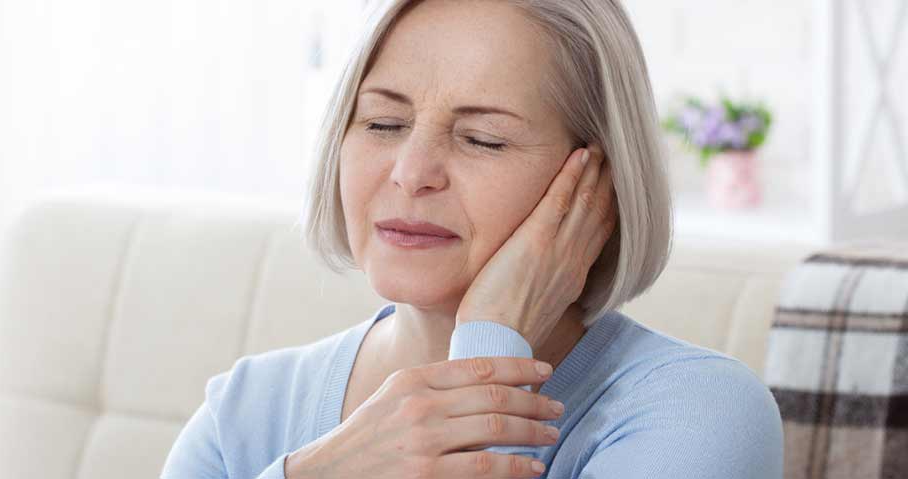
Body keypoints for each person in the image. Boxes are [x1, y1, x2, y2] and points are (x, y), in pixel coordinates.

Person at [161, 1, 784, 478]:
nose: (410, 172)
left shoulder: (700, 411)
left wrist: (487, 345)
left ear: (600, 186)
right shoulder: (240, 411)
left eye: (482, 139)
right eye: (383, 122)